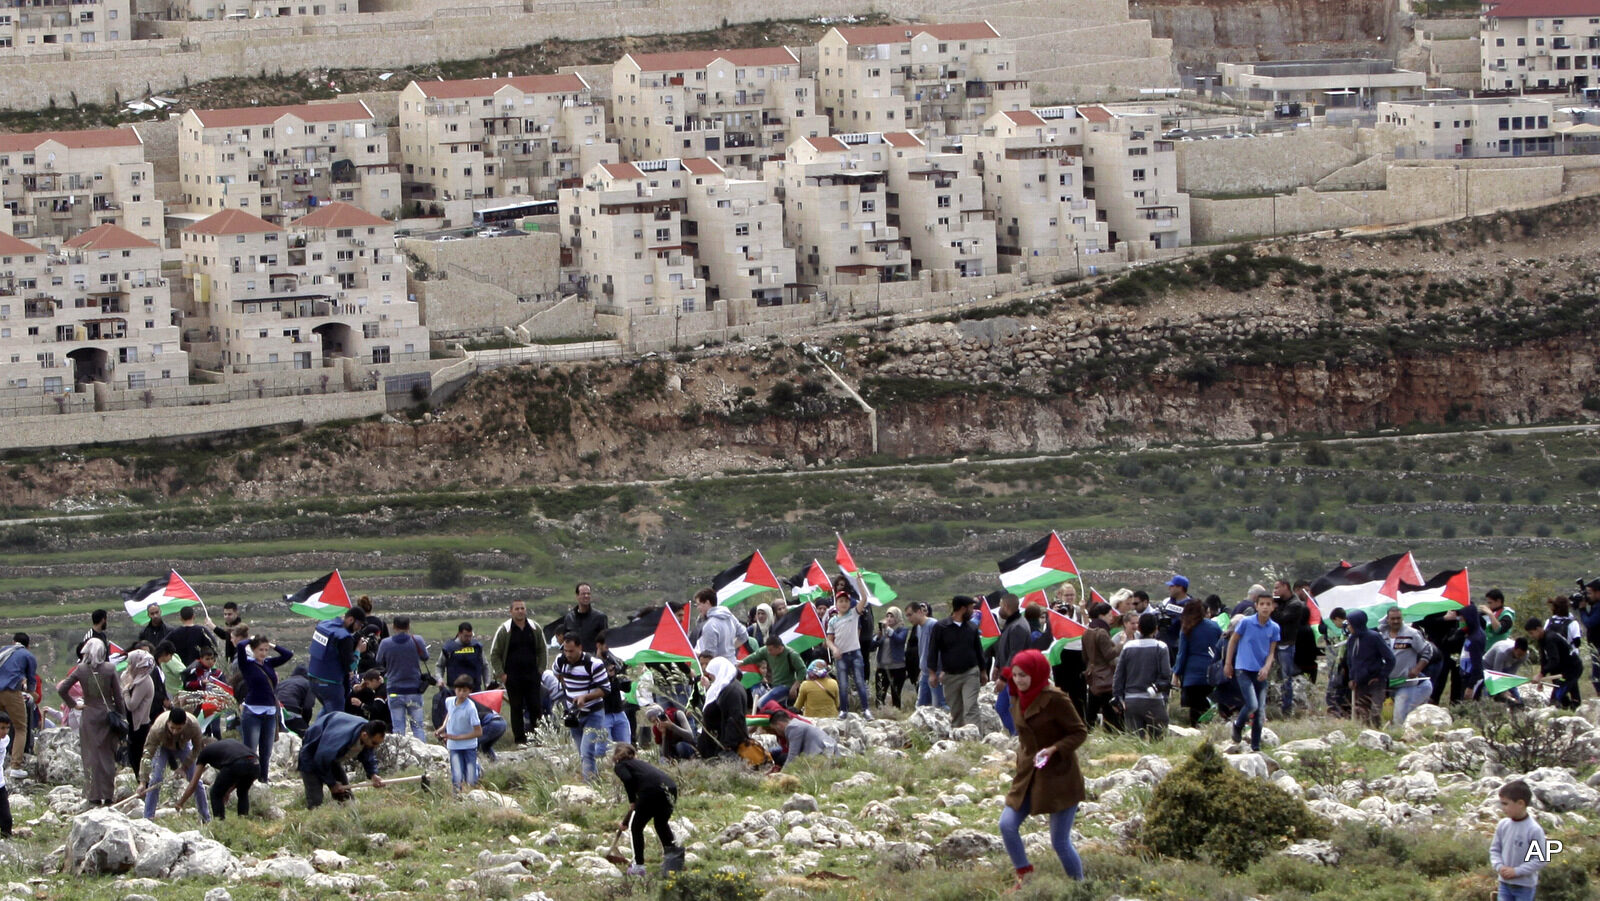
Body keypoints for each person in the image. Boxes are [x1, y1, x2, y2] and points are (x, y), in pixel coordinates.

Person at [997, 649, 1087, 890]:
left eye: (1024, 675)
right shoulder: (1015, 694)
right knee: (1007, 824)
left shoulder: (1055, 698)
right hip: (1028, 772)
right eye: (1015, 675)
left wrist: (1055, 749)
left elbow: (1079, 732)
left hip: (1060, 775)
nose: (1019, 680)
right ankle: (1024, 875)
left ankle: (1079, 887)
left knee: (1059, 841)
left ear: (1036, 674)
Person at [56, 637, 125, 807]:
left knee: (91, 756)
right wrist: (121, 717)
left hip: (89, 715)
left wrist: (74, 705)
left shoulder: (80, 670)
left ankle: (94, 794)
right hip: (107, 715)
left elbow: (63, 689)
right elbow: (118, 696)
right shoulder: (110, 669)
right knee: (108, 756)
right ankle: (108, 795)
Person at [612, 743, 683, 877]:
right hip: (670, 788)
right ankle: (673, 865)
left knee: (636, 827)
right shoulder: (639, 764)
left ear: (616, 756)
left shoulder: (620, 765)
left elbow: (627, 779)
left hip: (651, 791)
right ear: (633, 753)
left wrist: (632, 800)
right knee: (661, 824)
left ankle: (638, 867)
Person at [297, 711, 386, 809]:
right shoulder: (341, 737)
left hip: (331, 759)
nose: (376, 747)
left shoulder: (367, 731)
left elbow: (367, 754)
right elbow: (321, 759)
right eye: (374, 743)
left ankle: (348, 818)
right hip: (311, 757)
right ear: (364, 735)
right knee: (316, 801)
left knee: (346, 796)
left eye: (378, 744)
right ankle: (316, 820)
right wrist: (332, 783)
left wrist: (373, 774)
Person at [1223, 593, 1278, 753]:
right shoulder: (1246, 623)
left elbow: (1271, 651)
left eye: (1269, 604)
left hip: (1261, 672)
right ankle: (1238, 725)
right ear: (1256, 606)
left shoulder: (1274, 627)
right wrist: (1228, 663)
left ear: (1273, 607)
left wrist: (1267, 667)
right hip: (1243, 668)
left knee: (1260, 711)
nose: (1265, 607)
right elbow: (1233, 640)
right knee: (1252, 704)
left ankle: (1256, 747)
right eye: (1262, 604)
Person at [488, 600, 547, 746]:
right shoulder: (504, 630)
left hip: (532, 675)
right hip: (512, 677)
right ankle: (520, 740)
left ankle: (538, 738)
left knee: (535, 706)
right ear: (511, 611)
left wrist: (540, 669)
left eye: (522, 608)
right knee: (516, 708)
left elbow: (542, 649)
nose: (520, 611)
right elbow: (494, 654)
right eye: (517, 609)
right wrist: (501, 674)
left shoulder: (534, 628)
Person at [553, 635, 612, 781]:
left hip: (593, 713)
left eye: (571, 651)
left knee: (587, 752)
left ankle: (589, 784)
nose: (568, 654)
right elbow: (556, 673)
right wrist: (569, 690)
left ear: (580, 647)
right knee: (582, 753)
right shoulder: (560, 661)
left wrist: (584, 697)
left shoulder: (593, 664)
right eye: (565, 651)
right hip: (573, 714)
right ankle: (594, 779)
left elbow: (605, 689)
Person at [138, 708, 210, 823]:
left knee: (196, 781)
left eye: (179, 728)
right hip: (163, 747)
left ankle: (205, 818)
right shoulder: (157, 728)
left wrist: (184, 767)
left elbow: (197, 749)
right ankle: (147, 818)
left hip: (183, 746)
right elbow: (147, 753)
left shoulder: (194, 726)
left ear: (185, 724)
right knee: (156, 779)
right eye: (172, 728)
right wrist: (142, 781)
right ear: (168, 723)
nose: (175, 731)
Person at [237, 635, 293, 782]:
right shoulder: (247, 664)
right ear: (254, 650)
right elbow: (240, 646)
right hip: (252, 712)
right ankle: (248, 778)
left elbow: (288, 654)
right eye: (260, 649)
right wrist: (250, 639)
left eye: (266, 650)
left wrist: (272, 645)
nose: (263, 653)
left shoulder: (268, 663)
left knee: (266, 750)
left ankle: (263, 778)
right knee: (250, 749)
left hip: (269, 712)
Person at [928, 596, 985, 730]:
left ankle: (975, 739)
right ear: (962, 609)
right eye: (971, 608)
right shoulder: (940, 627)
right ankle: (958, 738)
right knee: (956, 710)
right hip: (950, 676)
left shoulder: (972, 627)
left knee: (971, 707)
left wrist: (983, 671)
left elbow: (979, 651)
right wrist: (932, 673)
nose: (972, 611)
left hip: (970, 673)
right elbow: (933, 650)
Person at [1113, 613, 1171, 740]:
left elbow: (1119, 675)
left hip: (1131, 701)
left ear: (1139, 628)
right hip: (1154, 700)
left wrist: (1117, 697)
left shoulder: (1128, 647)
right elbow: (1166, 675)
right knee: (1158, 741)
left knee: (1134, 742)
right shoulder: (1160, 646)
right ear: (1156, 628)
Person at [1490, 779, 1548, 901]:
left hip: (1524, 886)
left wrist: (1516, 871)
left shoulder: (1533, 830)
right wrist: (1499, 866)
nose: (1502, 808)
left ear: (1521, 803)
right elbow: (1495, 850)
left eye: (1505, 804)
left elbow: (1540, 859)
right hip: (1504, 884)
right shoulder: (1503, 825)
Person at [374, 616, 430, 742]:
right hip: (414, 690)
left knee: (398, 728)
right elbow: (425, 657)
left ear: (393, 627)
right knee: (418, 727)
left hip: (394, 690)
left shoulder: (385, 643)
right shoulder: (417, 640)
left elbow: (378, 661)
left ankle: (400, 757)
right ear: (408, 626)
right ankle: (423, 756)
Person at [175, 738, 258, 821]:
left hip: (237, 763)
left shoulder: (205, 751)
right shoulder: (228, 745)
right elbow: (237, 773)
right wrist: (227, 791)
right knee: (242, 792)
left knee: (215, 794)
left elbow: (193, 784)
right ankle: (243, 822)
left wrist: (180, 803)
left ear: (204, 746)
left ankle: (219, 824)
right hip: (255, 764)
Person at [1380, 606, 1436, 728]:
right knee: (1388, 718)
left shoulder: (1411, 634)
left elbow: (1427, 650)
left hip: (1407, 684)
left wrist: (1417, 669)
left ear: (1402, 618)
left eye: (1398, 618)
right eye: (1393, 619)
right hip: (1389, 685)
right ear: (1388, 620)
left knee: (1399, 717)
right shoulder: (1382, 635)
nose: (1396, 621)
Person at [308, 607, 367, 719]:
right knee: (337, 718)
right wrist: (358, 650)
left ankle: (313, 733)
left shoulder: (325, 625)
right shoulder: (345, 638)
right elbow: (351, 666)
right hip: (330, 684)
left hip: (313, 679)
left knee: (327, 710)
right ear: (350, 619)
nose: (359, 628)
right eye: (359, 624)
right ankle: (324, 735)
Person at [1172, 602, 1221, 728]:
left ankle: (1195, 732)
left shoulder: (1187, 628)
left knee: (1195, 711)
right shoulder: (1214, 626)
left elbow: (1182, 654)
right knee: (1210, 709)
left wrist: (1176, 673)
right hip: (1211, 673)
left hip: (1192, 676)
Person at [1343, 611, 1396, 728]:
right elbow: (1350, 661)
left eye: (1350, 624)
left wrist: (1380, 676)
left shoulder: (1374, 637)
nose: (1348, 627)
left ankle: (1379, 732)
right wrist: (1352, 678)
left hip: (1375, 682)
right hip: (1359, 683)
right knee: (1362, 713)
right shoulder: (1351, 640)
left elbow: (1390, 659)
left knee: (1375, 712)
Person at [825, 590, 870, 719]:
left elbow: (864, 598)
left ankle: (866, 709)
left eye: (846, 601)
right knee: (843, 684)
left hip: (855, 653)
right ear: (836, 604)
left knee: (860, 681)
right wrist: (834, 649)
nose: (843, 604)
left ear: (849, 603)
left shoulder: (854, 614)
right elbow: (828, 639)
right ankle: (843, 710)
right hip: (841, 656)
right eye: (841, 601)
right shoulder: (833, 621)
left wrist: (859, 582)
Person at [695, 656, 750, 760]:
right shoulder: (726, 687)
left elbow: (735, 718)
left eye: (712, 672)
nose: (710, 676)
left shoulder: (732, 691)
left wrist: (728, 745)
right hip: (716, 742)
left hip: (725, 745)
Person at [991, 593, 1030, 735]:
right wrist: (997, 665)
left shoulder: (1018, 626)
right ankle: (1016, 735)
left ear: (1005, 606)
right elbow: (1005, 648)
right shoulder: (1011, 624)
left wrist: (1003, 678)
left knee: (1015, 709)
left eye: (1000, 605)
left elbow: (1015, 655)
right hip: (1008, 673)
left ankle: (1020, 737)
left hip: (1015, 677)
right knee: (1001, 708)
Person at [437, 676, 484, 793]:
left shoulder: (471, 708)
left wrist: (456, 737)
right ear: (454, 689)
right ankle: (457, 796)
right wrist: (443, 727)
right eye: (459, 690)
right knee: (457, 775)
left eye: (465, 691)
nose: (461, 693)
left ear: (470, 691)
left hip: (469, 745)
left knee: (471, 778)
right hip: (454, 746)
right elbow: (450, 714)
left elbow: (478, 732)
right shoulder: (449, 701)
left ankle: (477, 771)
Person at [0, 634, 36, 779]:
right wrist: (31, 691)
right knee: (21, 727)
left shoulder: (4, 650)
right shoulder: (27, 655)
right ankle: (15, 766)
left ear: (14, 642)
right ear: (27, 645)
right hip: (11, 691)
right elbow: (32, 679)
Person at [120, 648, 159, 782]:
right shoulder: (136, 680)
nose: (128, 666)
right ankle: (141, 784)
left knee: (138, 757)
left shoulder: (144, 682)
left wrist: (125, 690)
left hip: (140, 726)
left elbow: (132, 704)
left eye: (131, 663)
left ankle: (144, 784)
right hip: (132, 724)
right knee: (133, 757)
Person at [1527, 617, 1583, 709]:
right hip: (1562, 669)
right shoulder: (1542, 640)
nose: (1531, 636)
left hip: (1572, 669)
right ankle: (1569, 708)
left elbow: (1554, 660)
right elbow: (1544, 660)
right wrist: (1542, 679)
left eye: (1531, 633)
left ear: (1538, 629)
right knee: (1565, 697)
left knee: (1555, 698)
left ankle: (1571, 710)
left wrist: (1541, 674)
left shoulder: (1550, 639)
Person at [1081, 601, 1121, 731]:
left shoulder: (1087, 631)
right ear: (1101, 615)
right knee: (1109, 710)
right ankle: (1110, 733)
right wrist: (1121, 644)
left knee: (1091, 709)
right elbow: (1109, 654)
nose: (1112, 618)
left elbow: (1084, 656)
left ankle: (1088, 731)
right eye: (1109, 615)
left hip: (1093, 675)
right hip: (1105, 676)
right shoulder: (1102, 632)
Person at [1050, 584, 1088, 717]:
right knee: (1062, 688)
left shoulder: (1078, 611)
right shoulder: (1055, 610)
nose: (1070, 598)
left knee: (1079, 690)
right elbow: (1051, 632)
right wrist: (1055, 614)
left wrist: (1083, 611)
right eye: (1067, 595)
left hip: (1078, 652)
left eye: (1072, 595)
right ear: (1060, 596)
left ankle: (1081, 720)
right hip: (1062, 652)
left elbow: (1087, 628)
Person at [740, 635, 806, 711]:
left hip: (786, 686)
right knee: (780, 710)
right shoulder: (767, 650)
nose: (768, 652)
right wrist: (741, 663)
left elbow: (802, 670)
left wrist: (795, 686)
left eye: (771, 650)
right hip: (775, 685)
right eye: (768, 649)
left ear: (779, 648)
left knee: (761, 703)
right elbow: (754, 657)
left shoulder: (792, 654)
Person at [592, 631, 634, 744]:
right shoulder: (593, 664)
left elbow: (626, 688)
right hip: (603, 713)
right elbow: (599, 690)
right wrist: (608, 676)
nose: (609, 650)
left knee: (625, 746)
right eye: (607, 646)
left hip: (619, 710)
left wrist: (623, 674)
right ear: (598, 645)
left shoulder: (615, 662)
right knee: (605, 749)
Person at [693, 588, 749, 665]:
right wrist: (729, 649)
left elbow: (710, 656)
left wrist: (696, 654)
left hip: (718, 670)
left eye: (699, 604)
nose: (697, 608)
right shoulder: (730, 617)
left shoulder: (710, 625)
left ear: (707, 602)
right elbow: (744, 635)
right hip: (732, 665)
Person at [906, 602, 946, 708]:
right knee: (921, 705)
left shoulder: (933, 625)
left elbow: (943, 648)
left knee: (940, 704)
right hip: (924, 672)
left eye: (910, 615)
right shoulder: (918, 628)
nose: (909, 619)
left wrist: (943, 670)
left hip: (936, 671)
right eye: (907, 616)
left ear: (919, 612)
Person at [762, 709, 836, 762]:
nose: (777, 733)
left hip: (825, 754)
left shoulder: (793, 728)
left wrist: (782, 776)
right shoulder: (796, 724)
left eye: (775, 729)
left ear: (779, 725)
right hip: (826, 751)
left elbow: (793, 757)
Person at [874, 607, 909, 709]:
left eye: (892, 616)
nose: (889, 619)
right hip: (882, 668)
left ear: (897, 617)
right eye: (887, 616)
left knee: (896, 695)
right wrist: (878, 636)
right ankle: (879, 715)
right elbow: (872, 645)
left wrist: (889, 630)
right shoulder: (883, 632)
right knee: (880, 695)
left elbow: (899, 640)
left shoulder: (902, 630)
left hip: (897, 668)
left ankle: (896, 716)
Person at [561, 583, 609, 653]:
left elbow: (605, 641)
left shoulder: (600, 617)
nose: (586, 596)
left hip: (593, 660)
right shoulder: (569, 618)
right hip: (574, 660)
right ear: (577, 596)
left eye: (588, 594)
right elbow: (565, 640)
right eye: (583, 594)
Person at [439, 622, 486, 691]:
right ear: (459, 634)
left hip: (474, 688)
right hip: (455, 689)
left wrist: (487, 683)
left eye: (470, 636)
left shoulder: (477, 647)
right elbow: (440, 666)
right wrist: (440, 679)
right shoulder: (449, 648)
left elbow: (485, 666)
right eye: (466, 636)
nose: (468, 638)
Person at [1484, 637, 1530, 706]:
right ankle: (1486, 704)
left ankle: (1518, 704)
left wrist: (1507, 687)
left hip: (1505, 667)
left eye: (1522, 655)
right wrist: (1503, 690)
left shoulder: (1525, 655)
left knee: (1512, 688)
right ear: (1514, 649)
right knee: (1488, 687)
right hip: (1488, 665)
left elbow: (1512, 674)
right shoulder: (1502, 652)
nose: (1520, 657)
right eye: (1519, 655)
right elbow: (1496, 675)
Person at [276, 664, 315, 736]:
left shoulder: (282, 683)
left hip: (277, 713)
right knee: (310, 736)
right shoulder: (308, 684)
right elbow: (308, 707)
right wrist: (305, 723)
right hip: (292, 712)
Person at [0, 713, 12, 837]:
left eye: (7, 728)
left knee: (6, 819)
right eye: (2, 728)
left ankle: (6, 839)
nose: (5, 731)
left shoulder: (6, 739)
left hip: (0, 783)